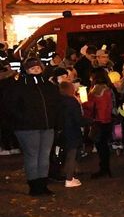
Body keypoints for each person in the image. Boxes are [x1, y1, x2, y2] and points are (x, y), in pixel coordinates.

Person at [6, 57, 61, 195]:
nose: (36, 70)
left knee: (44, 155)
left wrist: (55, 121)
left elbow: (56, 105)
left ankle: (42, 184)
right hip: (27, 128)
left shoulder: (49, 86)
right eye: (32, 68)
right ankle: (34, 185)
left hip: (47, 126)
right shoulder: (19, 86)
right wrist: (23, 119)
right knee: (32, 155)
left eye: (38, 68)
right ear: (27, 70)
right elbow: (11, 107)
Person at [82, 68, 115, 179]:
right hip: (107, 120)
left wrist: (82, 99)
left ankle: (103, 169)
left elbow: (89, 106)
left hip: (98, 121)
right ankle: (106, 168)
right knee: (104, 146)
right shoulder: (109, 89)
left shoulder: (96, 90)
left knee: (101, 147)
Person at [56, 81, 84, 188]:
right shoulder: (72, 101)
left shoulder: (59, 101)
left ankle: (68, 175)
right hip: (72, 130)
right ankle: (69, 178)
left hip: (63, 130)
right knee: (72, 155)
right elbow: (78, 118)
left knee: (68, 154)